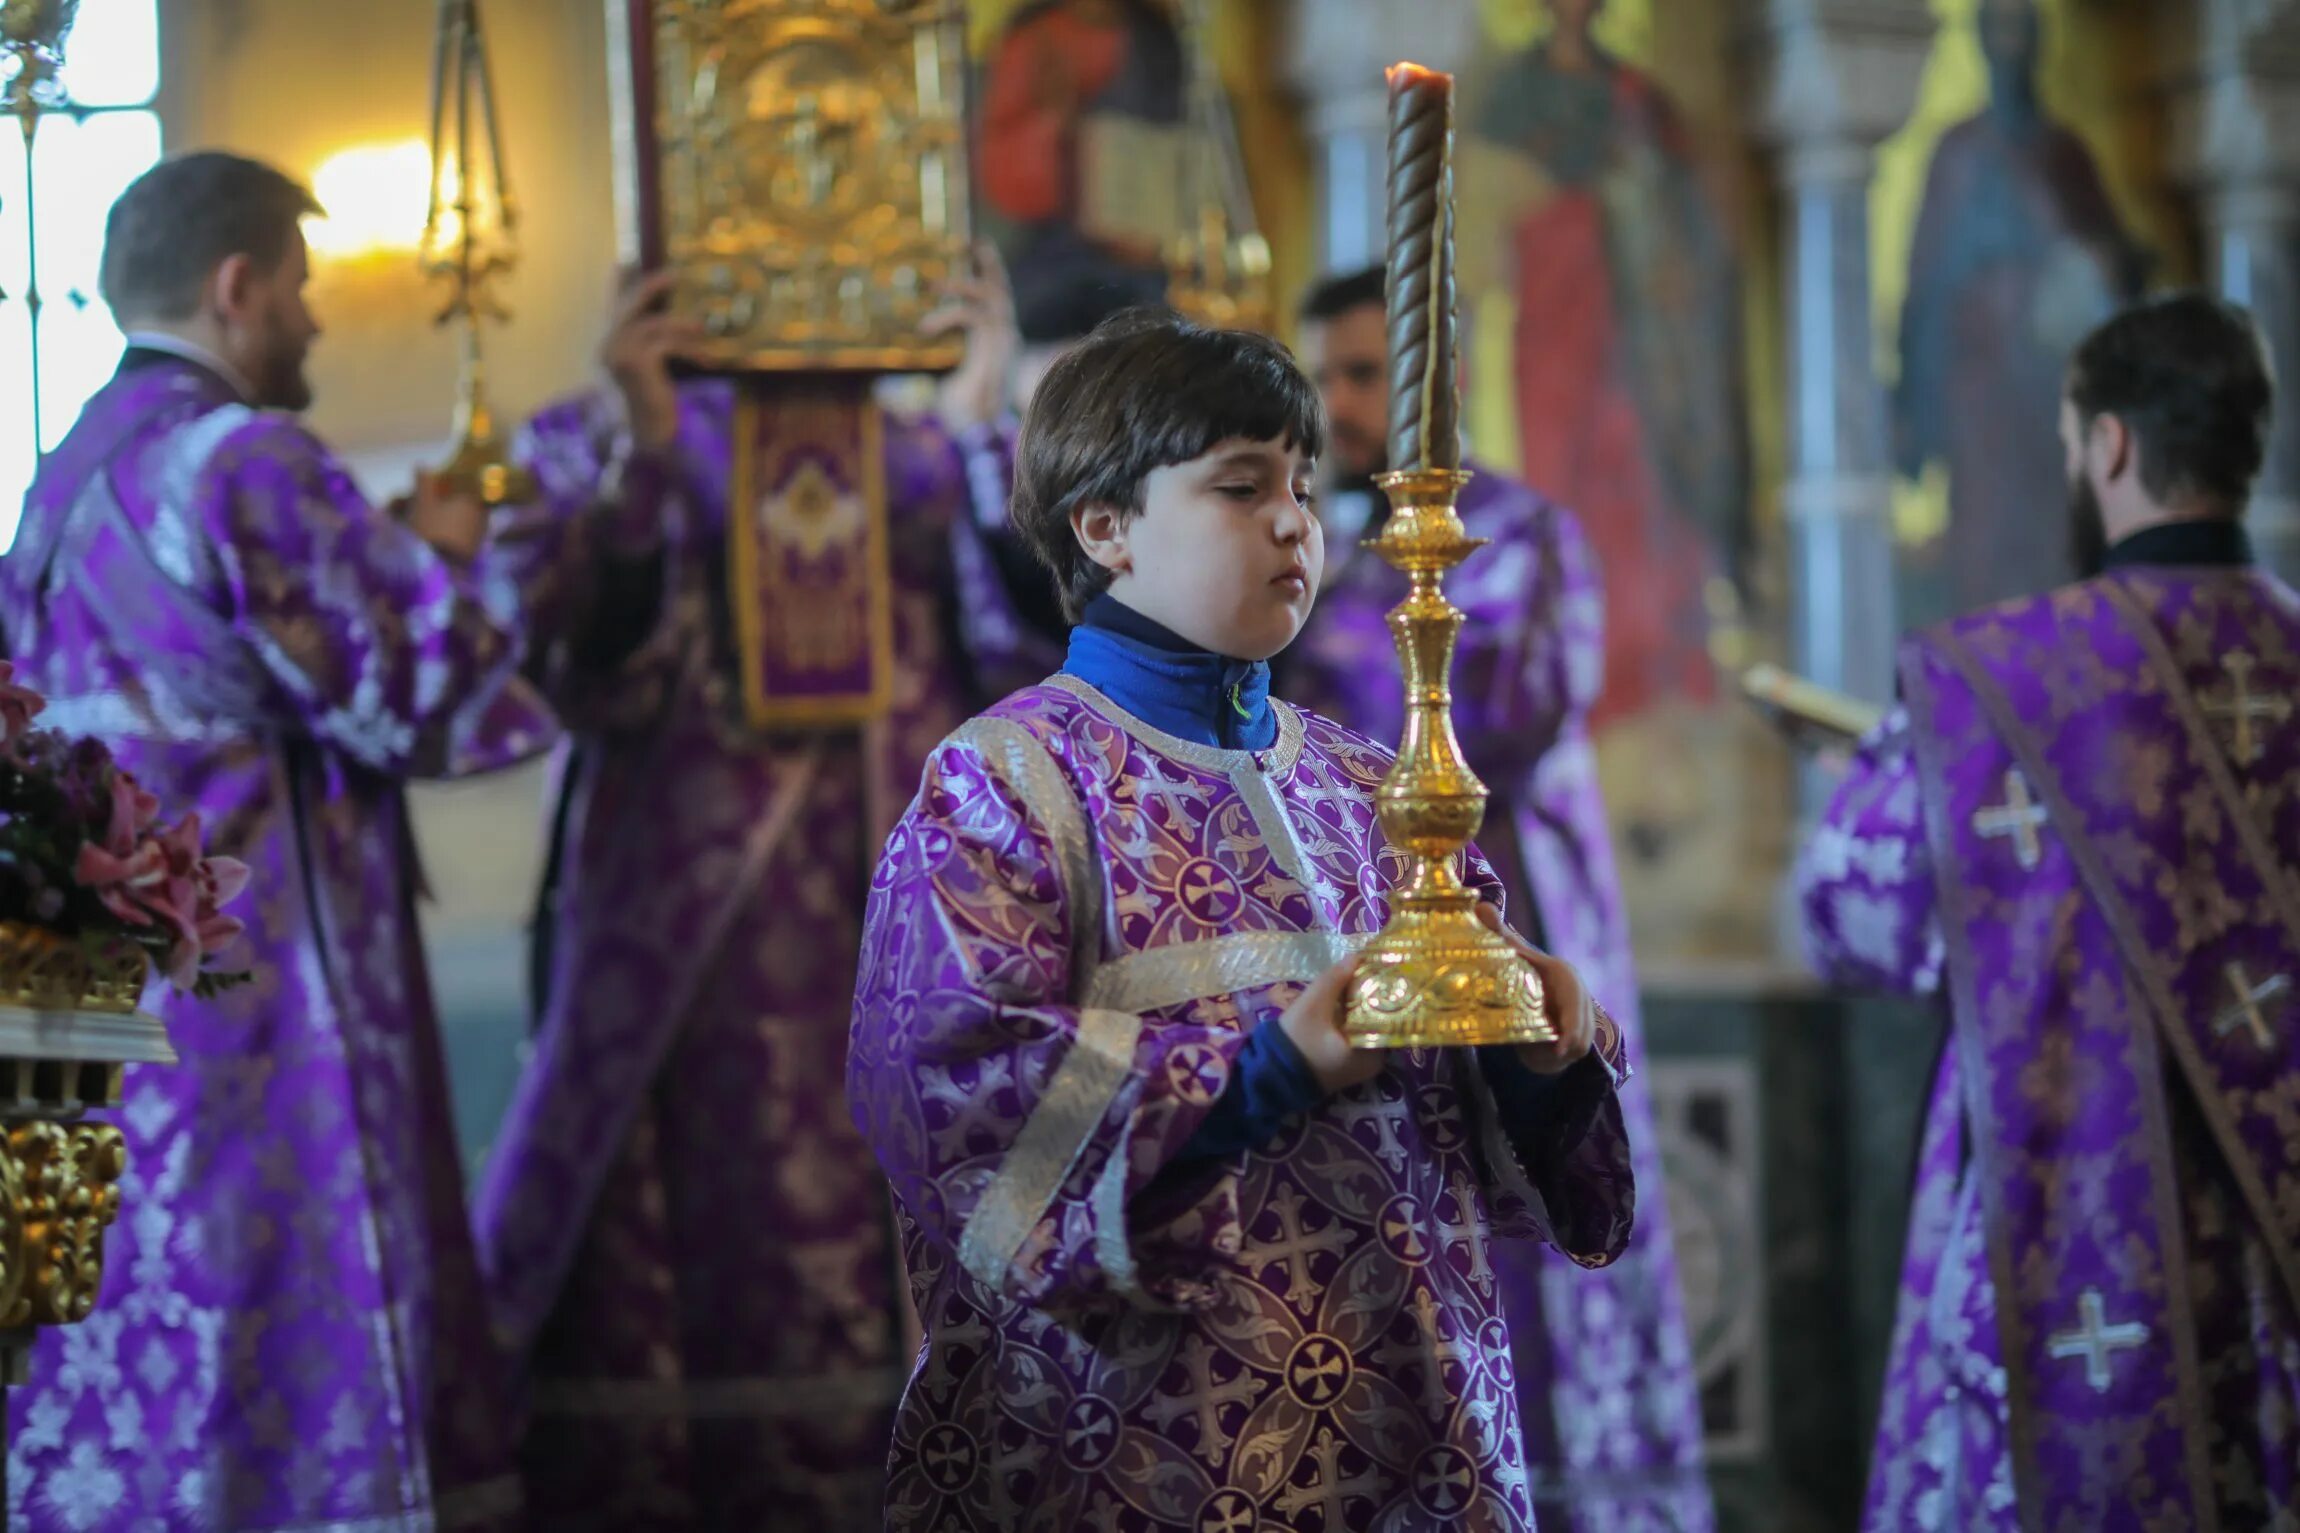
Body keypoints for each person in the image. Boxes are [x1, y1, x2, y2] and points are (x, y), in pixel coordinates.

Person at [849, 309, 1637, 1529]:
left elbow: (1496, 1155)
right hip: (1151, 1436)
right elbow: (959, 1094)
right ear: (1103, 527)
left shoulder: (1373, 786)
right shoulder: (1005, 784)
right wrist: (1264, 1072)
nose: (1294, 524)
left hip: (1419, 1419)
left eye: (1305, 489)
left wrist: (1541, 1056)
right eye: (1239, 487)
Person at [0, 151, 547, 1530]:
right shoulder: (241, 459)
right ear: (235, 285)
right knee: (286, 1257)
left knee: (143, 1274)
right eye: (298, 289)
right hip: (268, 964)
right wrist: (460, 550)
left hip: (98, 979)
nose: (310, 320)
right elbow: (429, 684)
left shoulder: (59, 482)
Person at [468, 251, 1033, 1530]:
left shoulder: (939, 446)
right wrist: (647, 447)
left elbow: (1031, 652)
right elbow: (552, 656)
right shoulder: (599, 438)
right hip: (686, 923)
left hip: (916, 908)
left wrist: (984, 419)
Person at [1798, 293, 2300, 1529]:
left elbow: (1850, 917)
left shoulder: (2000, 681)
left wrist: (1882, 788)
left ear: (2109, 445)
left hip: (2064, 1235)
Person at [1285, 266, 1710, 1529]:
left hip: (1516, 928)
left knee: (1527, 1206)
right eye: (1323, 377)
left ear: (1435, 385)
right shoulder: (1310, 543)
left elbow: (1508, 720)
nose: (1337, 405)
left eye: (1362, 375)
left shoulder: (1522, 537)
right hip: (1360, 935)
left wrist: (1360, 608)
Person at [1894, 0, 2144, 622]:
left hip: (2055, 401)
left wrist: (2107, 263)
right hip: (1980, 403)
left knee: (2058, 549)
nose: (2010, 48)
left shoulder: (2067, 157)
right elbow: (1925, 290)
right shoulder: (1958, 154)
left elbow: (2116, 266)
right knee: (1986, 549)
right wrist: (1914, 417)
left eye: (2021, 32)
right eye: (1997, 32)